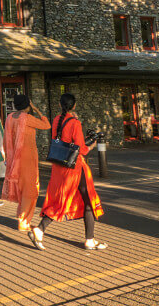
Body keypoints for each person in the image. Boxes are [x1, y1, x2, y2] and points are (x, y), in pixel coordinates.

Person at [29, 93, 106, 251]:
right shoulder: (75, 123)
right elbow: (81, 149)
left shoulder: (57, 120)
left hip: (59, 166)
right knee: (89, 200)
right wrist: (92, 144)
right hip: (75, 167)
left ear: (59, 104)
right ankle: (89, 240)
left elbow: (63, 141)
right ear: (74, 105)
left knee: (60, 199)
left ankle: (40, 230)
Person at [2, 95, 52, 231]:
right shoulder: (27, 118)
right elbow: (47, 125)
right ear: (27, 104)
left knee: (23, 189)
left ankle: (22, 219)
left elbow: (6, 138)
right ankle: (24, 221)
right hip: (27, 158)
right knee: (30, 190)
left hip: (14, 159)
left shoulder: (9, 117)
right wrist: (37, 109)